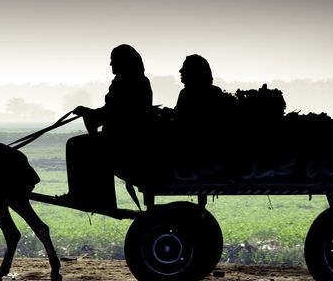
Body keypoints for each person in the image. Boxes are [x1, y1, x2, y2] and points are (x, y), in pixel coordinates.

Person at [65, 44, 153, 211]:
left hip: (124, 139)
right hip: (124, 137)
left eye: (114, 60)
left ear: (124, 63)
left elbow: (115, 112)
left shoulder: (128, 82)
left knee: (75, 145)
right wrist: (90, 113)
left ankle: (84, 196)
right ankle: (95, 197)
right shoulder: (134, 80)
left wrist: (89, 113)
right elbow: (113, 110)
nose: (111, 64)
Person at [171, 54, 234, 179]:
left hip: (201, 152)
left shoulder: (188, 94)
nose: (180, 71)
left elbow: (183, 123)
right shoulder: (211, 92)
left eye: (185, 68)